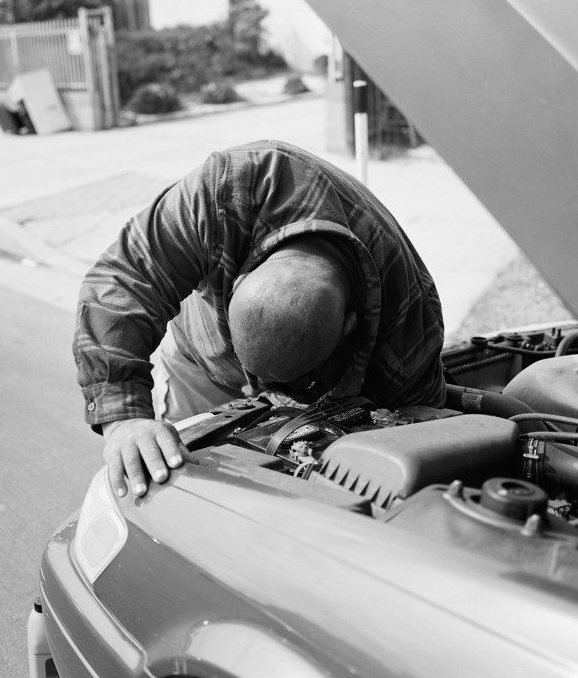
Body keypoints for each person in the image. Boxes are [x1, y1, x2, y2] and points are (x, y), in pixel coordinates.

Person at [74, 140, 446, 498]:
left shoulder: (409, 321)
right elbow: (124, 280)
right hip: (200, 365)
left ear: (350, 324)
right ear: (239, 283)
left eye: (293, 377)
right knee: (171, 485)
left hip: (327, 404)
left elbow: (410, 441)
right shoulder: (225, 191)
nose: (260, 393)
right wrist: (124, 417)